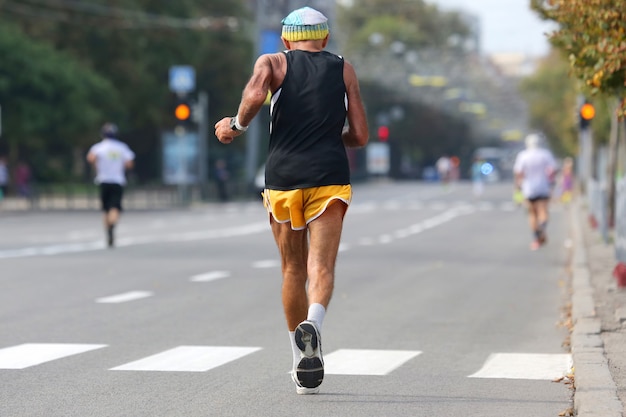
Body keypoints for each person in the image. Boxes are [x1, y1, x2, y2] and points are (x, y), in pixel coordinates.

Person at [214, 6, 368, 395]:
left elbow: (253, 94)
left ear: (286, 40)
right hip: (330, 178)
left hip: (283, 179)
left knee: (292, 269)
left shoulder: (272, 62)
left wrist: (235, 126)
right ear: (325, 39)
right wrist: (334, 138)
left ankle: (300, 359)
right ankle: (313, 326)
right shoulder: (343, 68)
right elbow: (361, 135)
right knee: (322, 266)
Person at [87, 123, 135, 248]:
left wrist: (97, 167)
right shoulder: (121, 147)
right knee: (115, 207)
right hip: (117, 180)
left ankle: (108, 230)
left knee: (105, 209)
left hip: (103, 180)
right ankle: (112, 227)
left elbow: (91, 158)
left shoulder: (98, 147)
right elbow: (129, 163)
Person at [513, 133, 557, 250]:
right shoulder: (545, 154)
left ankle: (537, 236)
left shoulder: (523, 155)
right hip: (543, 187)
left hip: (529, 189)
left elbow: (519, 173)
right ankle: (542, 226)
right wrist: (552, 183)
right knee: (543, 211)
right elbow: (552, 170)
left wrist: (517, 188)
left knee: (532, 213)